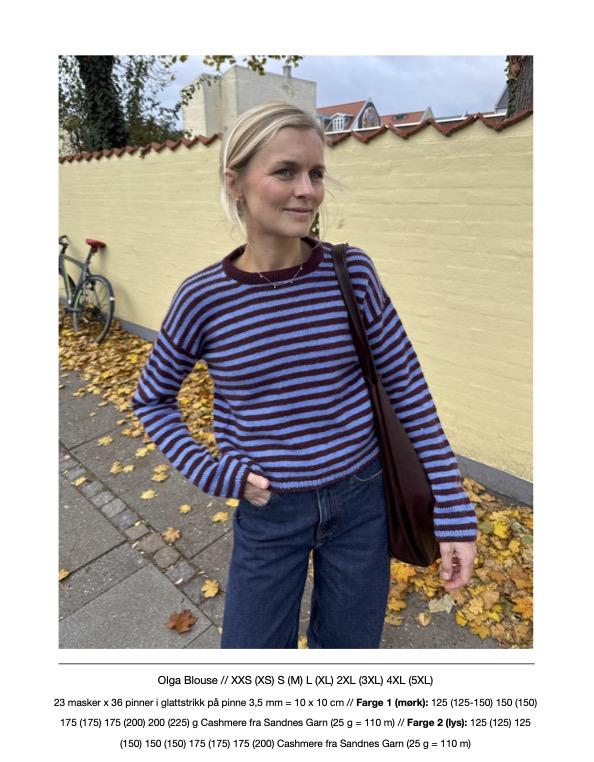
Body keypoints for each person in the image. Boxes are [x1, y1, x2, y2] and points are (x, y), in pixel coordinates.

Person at [132, 100, 478, 649]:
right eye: (285, 171)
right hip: (270, 513)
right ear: (235, 183)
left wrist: (453, 509)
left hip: (363, 500)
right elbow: (152, 400)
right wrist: (215, 473)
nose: (307, 190)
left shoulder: (350, 273)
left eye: (316, 173)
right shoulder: (203, 298)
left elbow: (408, 388)